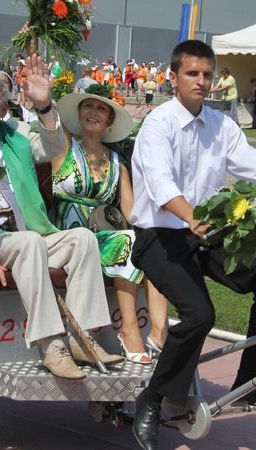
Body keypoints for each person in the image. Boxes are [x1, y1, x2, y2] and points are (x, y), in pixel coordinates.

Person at [130, 40, 256, 450]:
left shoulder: (222, 126)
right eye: (192, 74)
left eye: (207, 74)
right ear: (173, 78)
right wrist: (190, 216)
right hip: (160, 236)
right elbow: (160, 183)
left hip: (205, 233)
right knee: (199, 314)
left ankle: (251, 381)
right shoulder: (158, 124)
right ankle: (151, 400)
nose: (202, 82)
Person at [0, 58, 123, 380]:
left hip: (31, 231)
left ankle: (82, 336)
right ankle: (51, 345)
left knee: (82, 239)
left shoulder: (17, 133)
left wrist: (45, 105)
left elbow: (53, 147)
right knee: (31, 243)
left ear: (3, 111)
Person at [51, 86, 168, 365]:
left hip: (102, 240)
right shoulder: (64, 146)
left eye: (100, 108)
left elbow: (132, 212)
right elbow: (48, 121)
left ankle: (159, 333)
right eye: (87, 106)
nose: (93, 112)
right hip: (65, 238)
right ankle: (129, 332)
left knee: (156, 245)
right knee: (129, 242)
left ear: (110, 121)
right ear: (78, 114)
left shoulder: (117, 162)